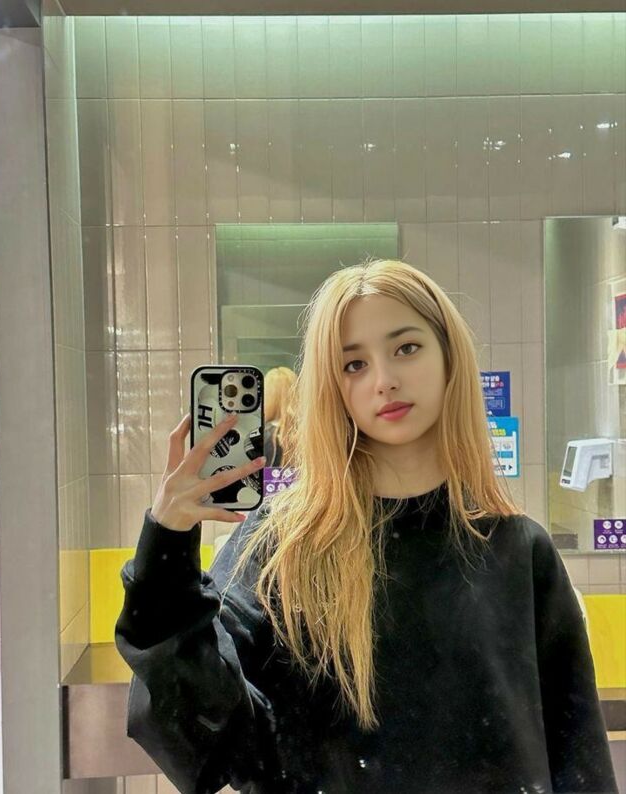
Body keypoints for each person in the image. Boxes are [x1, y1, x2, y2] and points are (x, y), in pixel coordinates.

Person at [115, 259, 618, 794]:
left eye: (406, 348)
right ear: (332, 387)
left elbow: (578, 758)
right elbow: (197, 741)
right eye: (354, 364)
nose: (385, 380)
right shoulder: (280, 547)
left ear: (449, 356)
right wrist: (167, 542)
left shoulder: (519, 552)